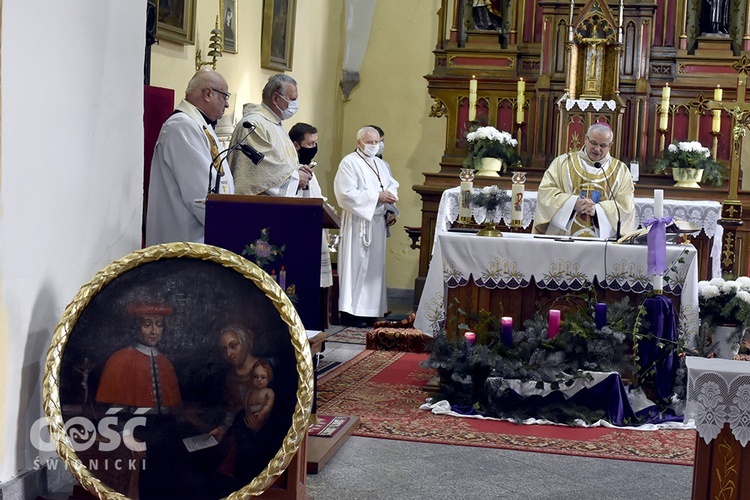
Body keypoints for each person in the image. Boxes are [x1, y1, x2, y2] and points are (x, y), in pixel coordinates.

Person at [95, 302, 185, 498]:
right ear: (136, 328)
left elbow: (173, 411)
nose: (154, 331)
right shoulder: (120, 360)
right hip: (137, 428)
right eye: (147, 324)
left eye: (159, 325)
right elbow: (113, 414)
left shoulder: (166, 362)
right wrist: (126, 435)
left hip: (165, 430)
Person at [146, 69, 234, 245]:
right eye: (225, 96)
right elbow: (201, 193)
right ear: (208, 94)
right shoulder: (181, 126)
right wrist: (229, 225)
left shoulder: (201, 125)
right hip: (185, 239)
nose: (226, 105)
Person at [334, 126, 399, 326]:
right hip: (358, 222)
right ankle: (351, 313)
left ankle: (371, 311)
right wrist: (376, 197)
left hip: (377, 222)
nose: (374, 146)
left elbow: (391, 186)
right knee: (356, 265)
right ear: (359, 143)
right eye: (369, 142)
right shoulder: (349, 162)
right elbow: (345, 194)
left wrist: (389, 209)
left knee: (374, 269)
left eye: (376, 142)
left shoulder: (381, 164)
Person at [533, 123, 635, 239]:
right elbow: (546, 193)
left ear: (610, 145)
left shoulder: (621, 171)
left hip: (603, 244)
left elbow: (625, 206)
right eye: (593, 143)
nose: (597, 149)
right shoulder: (562, 163)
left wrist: (597, 210)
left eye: (603, 145)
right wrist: (572, 203)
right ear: (586, 139)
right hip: (564, 239)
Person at [229, 74, 312, 196]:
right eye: (292, 99)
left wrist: (297, 169)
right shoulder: (253, 124)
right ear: (275, 98)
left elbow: (278, 161)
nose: (295, 104)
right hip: (256, 207)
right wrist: (295, 177)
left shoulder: (275, 124)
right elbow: (259, 168)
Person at [289, 122, 333, 288]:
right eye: (310, 144)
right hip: (299, 229)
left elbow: (316, 195)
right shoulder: (289, 169)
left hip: (313, 229)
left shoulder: (308, 169)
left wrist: (327, 207)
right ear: (296, 144)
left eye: (315, 143)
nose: (314, 148)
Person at [243, 359, 275, 433]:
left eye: (263, 377)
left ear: (269, 378)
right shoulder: (250, 391)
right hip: (249, 420)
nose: (259, 380)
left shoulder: (268, 392)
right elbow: (246, 405)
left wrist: (261, 413)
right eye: (255, 377)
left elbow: (268, 405)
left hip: (263, 421)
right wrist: (247, 414)